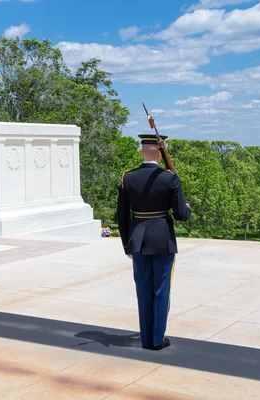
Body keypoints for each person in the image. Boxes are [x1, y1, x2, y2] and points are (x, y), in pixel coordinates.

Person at [116, 134, 191, 351]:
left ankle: (145, 339)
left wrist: (126, 244)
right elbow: (180, 214)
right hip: (162, 240)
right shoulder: (170, 178)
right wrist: (188, 209)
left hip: (138, 240)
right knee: (161, 291)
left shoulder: (127, 177)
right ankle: (157, 339)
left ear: (142, 151)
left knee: (143, 290)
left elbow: (121, 215)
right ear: (159, 153)